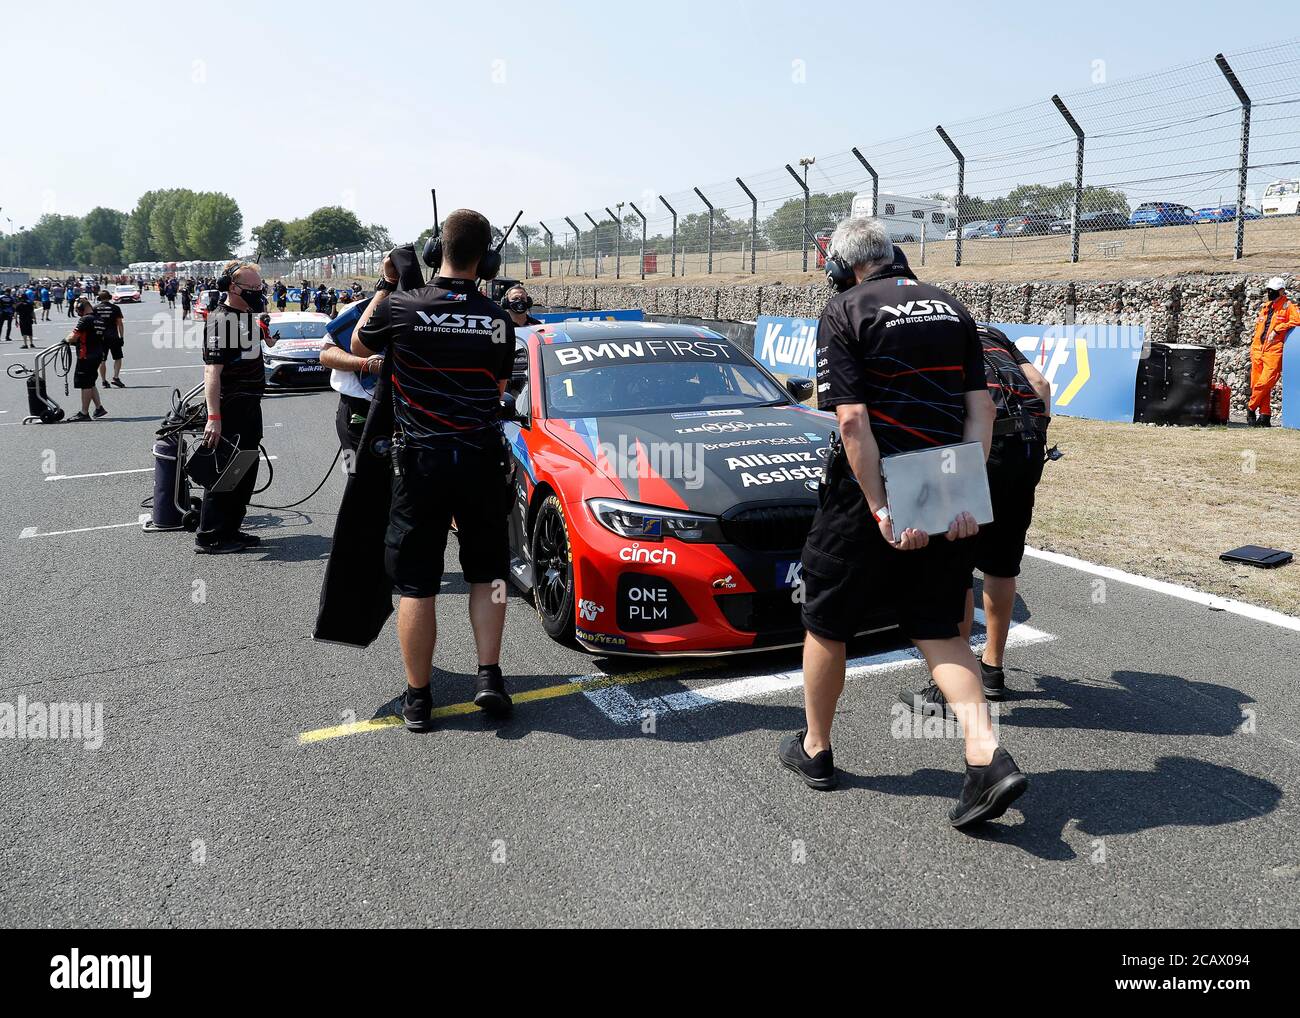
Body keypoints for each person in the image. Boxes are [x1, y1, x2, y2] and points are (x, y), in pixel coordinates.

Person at [776, 215, 1026, 829]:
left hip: (870, 492)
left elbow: (853, 423)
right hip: (944, 485)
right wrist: (962, 494)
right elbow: (982, 409)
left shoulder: (846, 310)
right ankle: (986, 755)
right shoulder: (953, 308)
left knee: (827, 622)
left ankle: (817, 750)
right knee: (938, 627)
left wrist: (883, 505)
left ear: (842, 265)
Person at [349, 209, 516, 731]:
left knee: (417, 585)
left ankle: (419, 700)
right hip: (481, 461)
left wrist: (386, 282)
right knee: (488, 574)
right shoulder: (498, 319)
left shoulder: (399, 306)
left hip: (420, 466)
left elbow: (358, 346)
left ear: (432, 252)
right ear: (488, 259)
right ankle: (489, 676)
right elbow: (497, 391)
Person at [903, 323, 1052, 716]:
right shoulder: (990, 331)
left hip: (983, 448)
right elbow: (1041, 384)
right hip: (1028, 443)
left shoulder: (928, 335)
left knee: (958, 561)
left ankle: (954, 683)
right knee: (1002, 563)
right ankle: (993, 670)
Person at [196, 261, 277, 554]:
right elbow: (211, 372)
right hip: (230, 407)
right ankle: (210, 536)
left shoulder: (247, 316)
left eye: (260, 287)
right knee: (226, 470)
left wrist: (266, 334)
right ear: (232, 287)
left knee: (244, 468)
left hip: (250, 404)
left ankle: (231, 529)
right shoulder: (222, 319)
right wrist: (214, 417)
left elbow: (251, 350)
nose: (258, 292)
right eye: (252, 288)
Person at [318, 303, 383, 453]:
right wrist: (366, 365)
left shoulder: (429, 307)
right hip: (356, 409)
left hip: (410, 410)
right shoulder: (357, 309)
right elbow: (325, 355)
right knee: (354, 469)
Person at [1246, 276, 1300, 427]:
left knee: (1265, 382)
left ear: (1282, 291)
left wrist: (1278, 329)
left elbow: (1297, 320)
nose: (1270, 293)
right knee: (1257, 383)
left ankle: (1250, 407)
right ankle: (1265, 416)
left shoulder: (1289, 306)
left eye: (1273, 291)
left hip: (1273, 350)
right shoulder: (1266, 307)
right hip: (1257, 349)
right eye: (1268, 290)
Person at [62, 297, 108, 422]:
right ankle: (99, 408)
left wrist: (65, 340)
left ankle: (84, 412)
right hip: (97, 353)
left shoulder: (85, 319)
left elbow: (73, 337)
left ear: (82, 308)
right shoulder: (100, 319)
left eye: (78, 310)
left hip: (86, 356)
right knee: (91, 382)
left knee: (85, 384)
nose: (77, 313)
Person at [92, 289, 126, 388]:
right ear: (110, 297)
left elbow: (92, 323)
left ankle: (103, 381)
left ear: (99, 298)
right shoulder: (115, 308)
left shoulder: (95, 308)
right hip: (114, 336)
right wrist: (122, 337)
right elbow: (120, 323)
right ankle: (115, 377)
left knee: (102, 360)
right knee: (118, 357)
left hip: (100, 338)